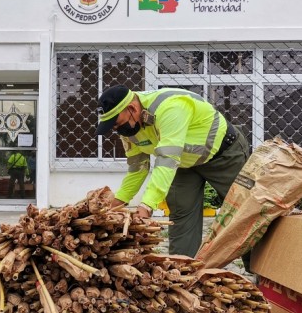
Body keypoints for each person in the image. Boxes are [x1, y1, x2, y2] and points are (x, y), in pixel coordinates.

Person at [96, 85, 249, 259]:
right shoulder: (129, 129)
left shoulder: (170, 107)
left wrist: (147, 205)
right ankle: (182, 272)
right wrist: (117, 204)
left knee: (244, 212)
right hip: (183, 165)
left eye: (117, 123)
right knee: (181, 217)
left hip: (224, 155)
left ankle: (260, 273)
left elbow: (167, 159)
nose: (117, 130)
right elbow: (138, 168)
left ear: (132, 108)